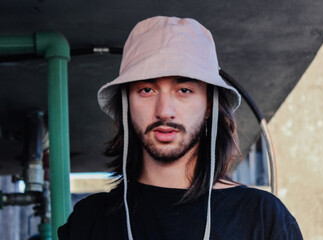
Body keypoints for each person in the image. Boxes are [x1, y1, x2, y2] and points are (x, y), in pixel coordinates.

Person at [58, 16, 303, 240]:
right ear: (126, 105)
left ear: (209, 106)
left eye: (184, 90)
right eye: (147, 90)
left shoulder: (261, 218)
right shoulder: (90, 221)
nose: (164, 110)